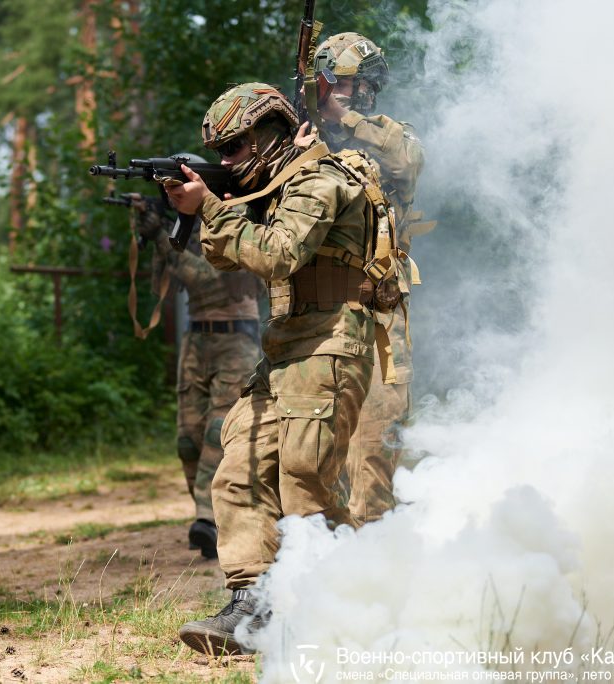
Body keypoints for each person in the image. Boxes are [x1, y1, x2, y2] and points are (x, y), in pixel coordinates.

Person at [166, 83, 398, 655]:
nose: (226, 162)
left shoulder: (324, 179)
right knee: (237, 468)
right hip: (285, 347)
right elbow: (234, 255)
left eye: (235, 147)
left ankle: (360, 596)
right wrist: (207, 209)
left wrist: (211, 208)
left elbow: (277, 254)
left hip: (330, 345)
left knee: (304, 480)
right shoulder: (277, 187)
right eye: (220, 152)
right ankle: (252, 604)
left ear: (269, 135)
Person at [297, 32, 426, 524]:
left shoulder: (389, 135)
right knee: (310, 440)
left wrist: (344, 120)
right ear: (323, 83)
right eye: (345, 84)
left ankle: (373, 548)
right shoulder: (300, 139)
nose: (357, 93)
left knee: (375, 433)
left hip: (379, 309)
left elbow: (409, 160)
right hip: (313, 312)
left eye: (363, 84)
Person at [130, 171, 263, 560]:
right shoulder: (184, 229)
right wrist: (155, 234)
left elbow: (206, 279)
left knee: (217, 435)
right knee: (187, 440)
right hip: (197, 341)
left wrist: (160, 237)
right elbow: (161, 284)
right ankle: (209, 521)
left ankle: (209, 517)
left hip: (237, 339)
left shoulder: (237, 220)